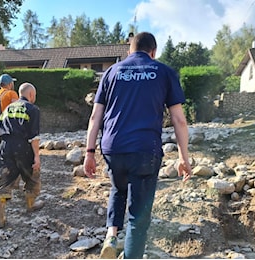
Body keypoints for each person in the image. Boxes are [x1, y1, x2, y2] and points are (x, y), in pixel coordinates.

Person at [83, 32, 192, 259]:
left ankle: (111, 235)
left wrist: (89, 153)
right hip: (145, 150)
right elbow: (179, 120)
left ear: (129, 51)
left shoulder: (111, 72)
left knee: (118, 187)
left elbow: (95, 117)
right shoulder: (163, 72)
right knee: (138, 216)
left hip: (113, 147)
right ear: (153, 52)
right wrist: (183, 157)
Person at [0, 82, 44, 228]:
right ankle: (31, 205)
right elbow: (34, 136)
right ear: (31, 94)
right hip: (23, 146)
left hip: (5, 146)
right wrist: (36, 157)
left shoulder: (8, 108)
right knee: (32, 175)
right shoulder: (32, 109)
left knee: (4, 180)